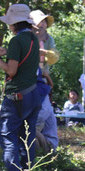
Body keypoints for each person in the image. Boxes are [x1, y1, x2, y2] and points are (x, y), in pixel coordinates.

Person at [0, 4, 44, 171]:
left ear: (14, 23)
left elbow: (11, 71)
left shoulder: (16, 40)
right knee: (27, 137)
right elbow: (24, 54)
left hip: (16, 96)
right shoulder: (33, 38)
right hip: (33, 94)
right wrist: (8, 51)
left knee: (8, 137)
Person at [31, 9, 59, 151]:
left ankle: (39, 150)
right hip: (31, 79)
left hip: (41, 80)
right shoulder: (28, 38)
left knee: (35, 120)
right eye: (39, 22)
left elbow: (52, 58)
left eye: (44, 22)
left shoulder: (49, 40)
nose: (42, 24)